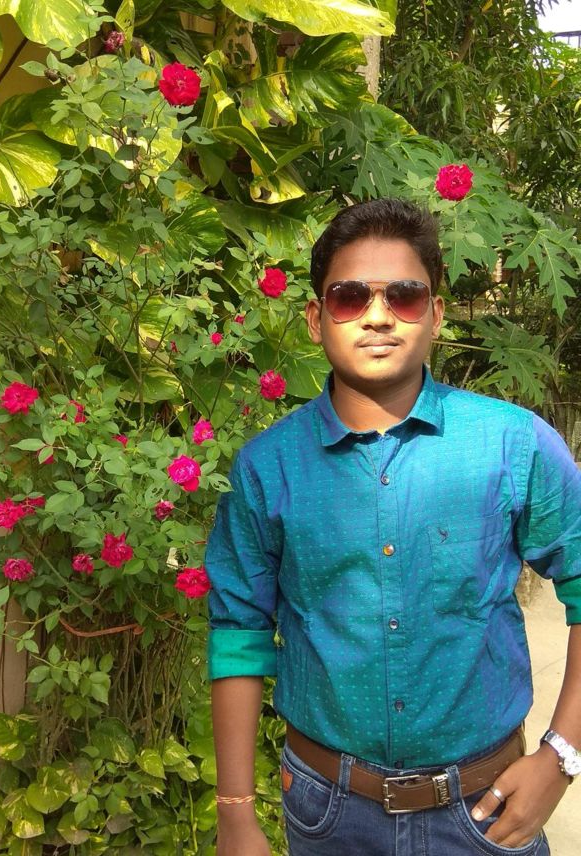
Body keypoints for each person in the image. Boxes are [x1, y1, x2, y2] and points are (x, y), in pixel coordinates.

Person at [205, 199, 581, 856]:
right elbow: (238, 632)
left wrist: (562, 755)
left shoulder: (513, 446)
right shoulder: (269, 467)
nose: (377, 316)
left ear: (435, 313)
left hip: (488, 812)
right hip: (328, 815)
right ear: (316, 318)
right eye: (350, 297)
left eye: (404, 296)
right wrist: (235, 812)